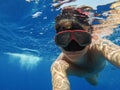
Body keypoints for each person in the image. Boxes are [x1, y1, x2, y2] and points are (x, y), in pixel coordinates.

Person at [51, 5, 120, 90]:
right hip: (89, 74)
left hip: (90, 71)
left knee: (94, 81)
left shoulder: (100, 46)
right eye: (64, 39)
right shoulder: (59, 65)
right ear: (56, 40)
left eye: (81, 37)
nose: (73, 47)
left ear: (91, 38)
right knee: (94, 83)